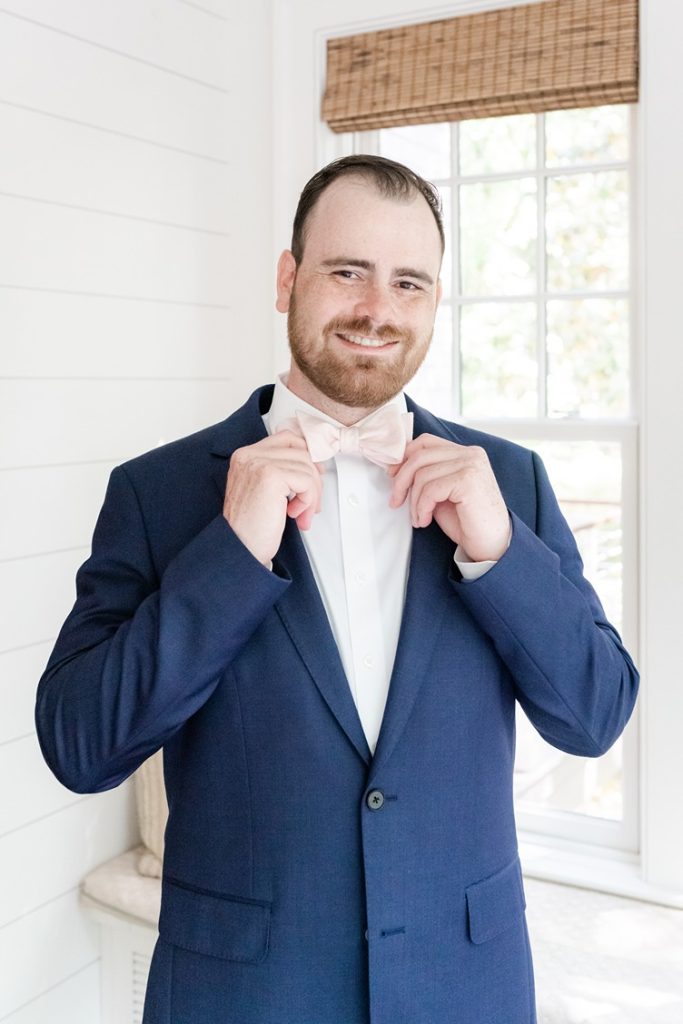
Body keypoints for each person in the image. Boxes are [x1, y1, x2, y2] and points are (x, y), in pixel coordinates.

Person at [36, 155, 639, 1024]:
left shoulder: (510, 483)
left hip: (463, 988)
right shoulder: (158, 494)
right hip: (241, 994)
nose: (376, 309)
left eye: (409, 283)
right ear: (288, 280)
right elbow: (80, 745)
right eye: (346, 271)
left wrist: (499, 551)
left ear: (435, 302)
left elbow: (596, 716)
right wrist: (232, 552)